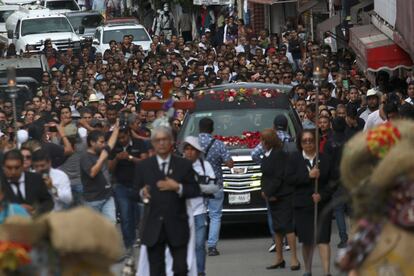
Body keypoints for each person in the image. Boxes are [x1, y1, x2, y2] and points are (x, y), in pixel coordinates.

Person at [134, 126, 200, 276]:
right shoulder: (144, 166)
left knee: (181, 268)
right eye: (158, 140)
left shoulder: (184, 165)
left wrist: (178, 187)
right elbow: (133, 191)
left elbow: (195, 190)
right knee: (156, 270)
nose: (161, 143)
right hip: (153, 225)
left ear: (171, 142)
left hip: (177, 224)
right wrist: (141, 193)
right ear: (153, 143)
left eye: (165, 139)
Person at [286, 129, 334, 276]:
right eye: (304, 141)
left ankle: (326, 272)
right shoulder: (294, 159)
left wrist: (322, 196)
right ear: (300, 143)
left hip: (322, 205)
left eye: (311, 140)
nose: (308, 144)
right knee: (307, 241)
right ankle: (308, 270)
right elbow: (289, 180)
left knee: (323, 239)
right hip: (302, 205)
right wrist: (308, 176)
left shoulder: (325, 159)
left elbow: (333, 182)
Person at [259, 129, 300, 271]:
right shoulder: (266, 155)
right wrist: (264, 191)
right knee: (277, 228)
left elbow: (279, 176)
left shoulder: (280, 155)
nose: (261, 143)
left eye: (263, 140)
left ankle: (294, 258)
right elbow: (265, 175)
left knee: (288, 227)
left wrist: (269, 191)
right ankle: (279, 258)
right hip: (271, 196)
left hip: (283, 195)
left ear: (268, 141)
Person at [182, 136, 218, 276]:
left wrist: (197, 187)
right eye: (187, 149)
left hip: (199, 211)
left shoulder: (205, 166)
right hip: (182, 213)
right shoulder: (178, 165)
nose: (189, 152)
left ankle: (200, 271)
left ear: (198, 152)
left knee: (198, 245)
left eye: (192, 149)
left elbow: (214, 187)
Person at [198, 117, 234, 256]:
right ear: (212, 129)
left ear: (199, 128)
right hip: (215, 184)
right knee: (215, 215)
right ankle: (212, 246)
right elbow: (229, 163)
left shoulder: (192, 144)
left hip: (197, 185)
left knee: (199, 214)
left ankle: (199, 244)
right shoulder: (218, 144)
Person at [108, 127, 148, 250]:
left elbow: (145, 163)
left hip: (138, 185)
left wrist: (130, 158)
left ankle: (142, 239)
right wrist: (117, 158)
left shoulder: (139, 143)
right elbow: (109, 168)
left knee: (140, 216)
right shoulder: (113, 146)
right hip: (121, 186)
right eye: (119, 138)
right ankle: (128, 244)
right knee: (125, 216)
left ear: (129, 135)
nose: (121, 140)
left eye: (123, 137)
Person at [80, 123, 119, 222]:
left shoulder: (102, 151)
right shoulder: (85, 157)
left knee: (111, 224)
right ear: (92, 143)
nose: (104, 144)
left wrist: (117, 128)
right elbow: (92, 173)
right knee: (95, 231)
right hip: (92, 200)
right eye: (101, 142)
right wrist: (102, 158)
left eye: (104, 142)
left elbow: (111, 143)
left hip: (107, 197)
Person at [1, 150, 54, 215]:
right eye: (9, 168)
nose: (13, 172)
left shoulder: (36, 179)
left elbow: (48, 201)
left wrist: (36, 211)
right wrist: (16, 209)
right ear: (3, 167)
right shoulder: (1, 182)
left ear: (23, 165)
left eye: (17, 167)